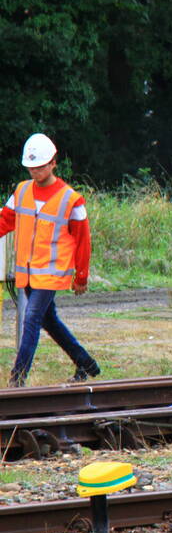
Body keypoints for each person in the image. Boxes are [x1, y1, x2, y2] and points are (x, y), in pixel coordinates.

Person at [0, 133, 100, 387]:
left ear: (53, 162)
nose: (35, 171)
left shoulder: (71, 199)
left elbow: (83, 241)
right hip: (28, 273)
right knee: (49, 321)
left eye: (40, 166)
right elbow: (4, 221)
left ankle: (17, 379)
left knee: (32, 318)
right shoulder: (21, 191)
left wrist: (81, 276)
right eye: (31, 167)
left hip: (52, 274)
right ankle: (86, 364)